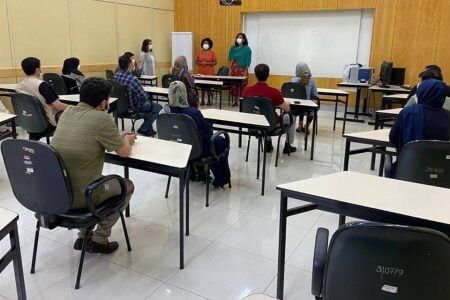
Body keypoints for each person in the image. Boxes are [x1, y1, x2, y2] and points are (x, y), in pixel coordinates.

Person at [51, 77, 136, 254]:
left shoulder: (67, 113)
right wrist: (126, 139)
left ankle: (84, 236)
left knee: (87, 178)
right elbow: (124, 152)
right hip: (83, 196)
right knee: (126, 185)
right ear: (104, 102)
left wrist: (114, 136)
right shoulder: (101, 119)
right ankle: (100, 238)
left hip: (57, 192)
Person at [166, 81, 231, 187]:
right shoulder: (193, 113)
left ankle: (196, 173)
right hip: (196, 151)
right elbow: (209, 133)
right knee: (221, 141)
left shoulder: (166, 113)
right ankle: (221, 178)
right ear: (184, 94)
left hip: (177, 149)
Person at [243, 63, 297, 154]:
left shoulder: (247, 90)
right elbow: (287, 109)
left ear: (255, 75)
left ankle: (267, 143)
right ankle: (288, 145)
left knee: (262, 114)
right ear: (268, 75)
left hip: (252, 124)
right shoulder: (274, 92)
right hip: (271, 125)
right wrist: (286, 103)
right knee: (291, 117)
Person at [15, 57, 69, 140]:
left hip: (29, 121)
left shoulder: (19, 86)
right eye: (40, 66)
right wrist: (75, 108)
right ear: (37, 70)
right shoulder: (42, 85)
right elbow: (58, 106)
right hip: (47, 123)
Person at [389, 78, 450, 151]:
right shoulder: (448, 116)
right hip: (441, 161)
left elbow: (393, 138)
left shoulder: (408, 112)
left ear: (421, 92)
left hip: (410, 161)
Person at [113, 54, 162, 136]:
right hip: (133, 108)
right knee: (158, 107)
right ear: (130, 65)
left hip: (119, 108)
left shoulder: (115, 77)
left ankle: (146, 126)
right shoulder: (132, 79)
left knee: (149, 106)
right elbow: (144, 97)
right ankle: (144, 128)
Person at [291, 62, 319, 133]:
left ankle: (300, 126)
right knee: (312, 109)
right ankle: (306, 126)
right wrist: (314, 99)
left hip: (296, 106)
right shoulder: (312, 80)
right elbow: (315, 94)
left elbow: (291, 93)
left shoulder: (294, 79)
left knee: (301, 106)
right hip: (308, 105)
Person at [228, 33, 252, 106]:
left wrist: (245, 69)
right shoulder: (233, 48)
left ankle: (242, 101)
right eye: (238, 37)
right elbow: (230, 58)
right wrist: (230, 69)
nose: (238, 39)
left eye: (240, 37)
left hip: (243, 69)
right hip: (234, 68)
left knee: (243, 85)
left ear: (244, 39)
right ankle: (235, 101)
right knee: (234, 85)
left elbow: (248, 60)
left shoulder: (247, 49)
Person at [196, 37, 217, 105]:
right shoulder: (199, 52)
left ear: (210, 44)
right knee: (202, 86)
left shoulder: (212, 53)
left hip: (209, 72)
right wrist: (200, 63)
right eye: (204, 43)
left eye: (207, 43)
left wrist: (207, 63)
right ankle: (202, 100)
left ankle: (209, 100)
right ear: (202, 44)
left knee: (208, 86)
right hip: (201, 72)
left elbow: (215, 62)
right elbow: (196, 61)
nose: (205, 44)